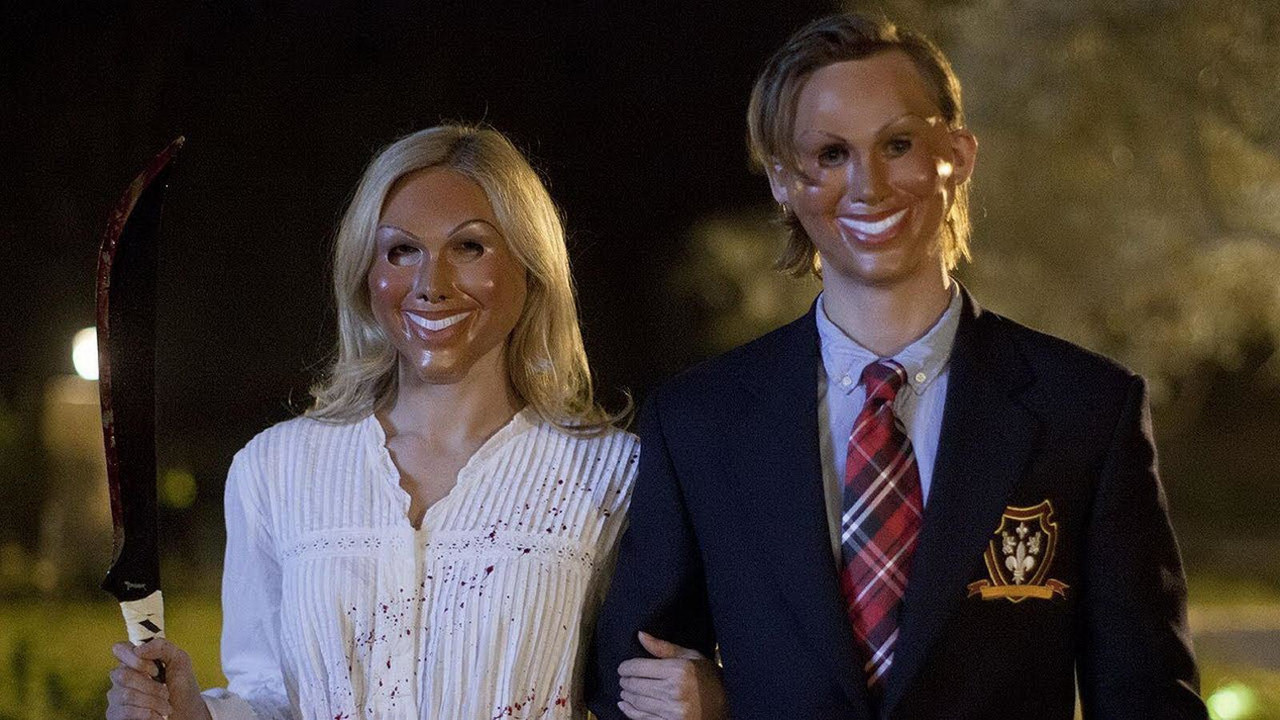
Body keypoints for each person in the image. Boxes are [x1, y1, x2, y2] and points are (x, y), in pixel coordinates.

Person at [589, 13, 1208, 720]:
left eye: (898, 144)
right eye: (830, 154)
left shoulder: (1088, 410)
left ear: (958, 155)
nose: (869, 185)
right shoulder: (699, 422)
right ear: (783, 181)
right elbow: (628, 682)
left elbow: (1148, 701)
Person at [106, 124, 644, 719]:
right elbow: (268, 698)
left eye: (469, 247)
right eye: (401, 251)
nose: (431, 285)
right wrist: (193, 713)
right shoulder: (277, 469)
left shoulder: (613, 476)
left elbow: (647, 690)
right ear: (366, 274)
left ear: (532, 266)